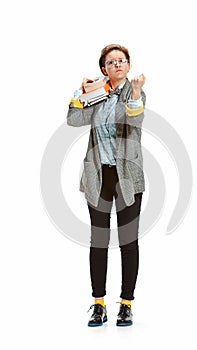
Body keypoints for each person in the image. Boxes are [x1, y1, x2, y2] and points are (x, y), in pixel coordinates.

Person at [67, 44, 146, 326]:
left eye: (122, 60)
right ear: (104, 69)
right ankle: (98, 304)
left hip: (127, 178)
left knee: (128, 241)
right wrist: (81, 92)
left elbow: (134, 121)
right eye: (111, 62)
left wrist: (135, 93)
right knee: (98, 241)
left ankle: (126, 304)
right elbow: (74, 119)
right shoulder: (96, 95)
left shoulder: (135, 93)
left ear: (128, 65)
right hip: (98, 176)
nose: (117, 65)